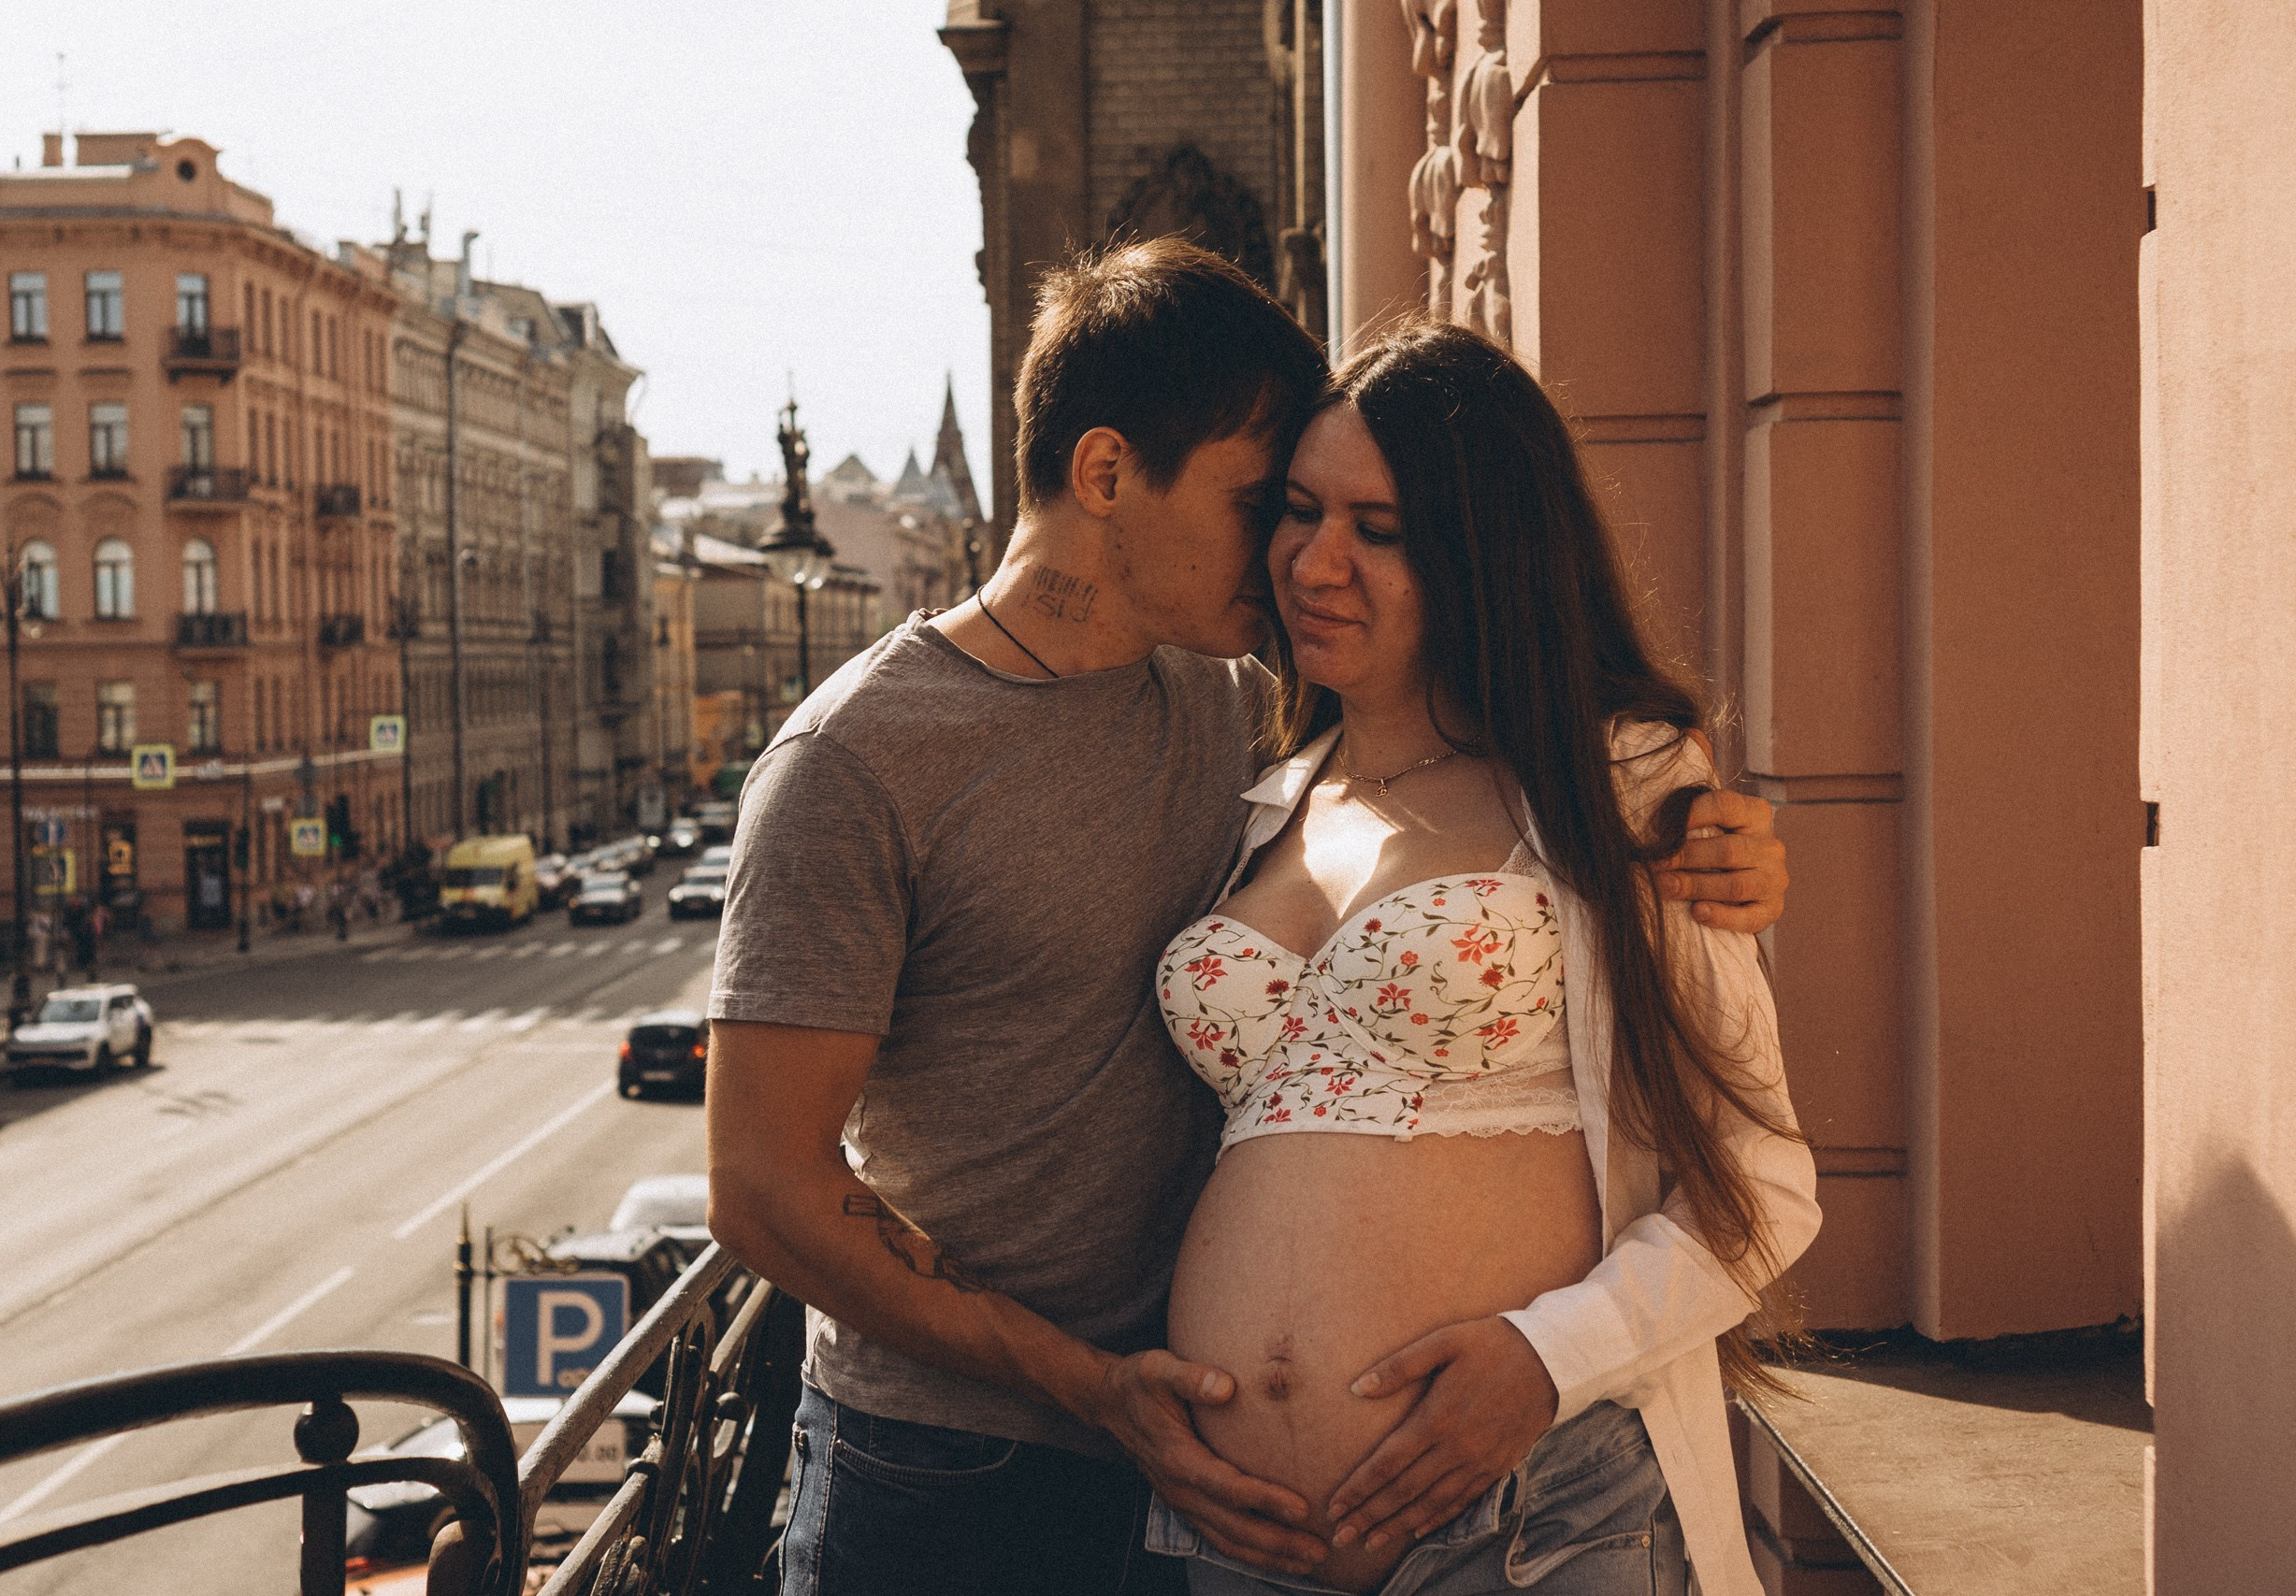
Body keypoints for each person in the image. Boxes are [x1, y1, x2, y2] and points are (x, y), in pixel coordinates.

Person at [704, 240, 1791, 1596]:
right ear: (1106, 476)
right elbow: (761, 1191)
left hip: (1212, 1477)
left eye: (1353, 523)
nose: (1297, 558)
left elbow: (1507, 792)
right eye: (1265, 504)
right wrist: (1095, 1387)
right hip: (949, 1465)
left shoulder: (1242, 718)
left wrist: (1723, 851)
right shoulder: (856, 761)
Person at [1147, 321, 1815, 1595]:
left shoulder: (1615, 785)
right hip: (1242, 1540)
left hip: (1537, 1519)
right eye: (1297, 511)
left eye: (1381, 530)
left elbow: (1765, 1185)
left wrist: (1547, 1360)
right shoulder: (1254, 801)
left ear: (1485, 552)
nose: (1316, 561)